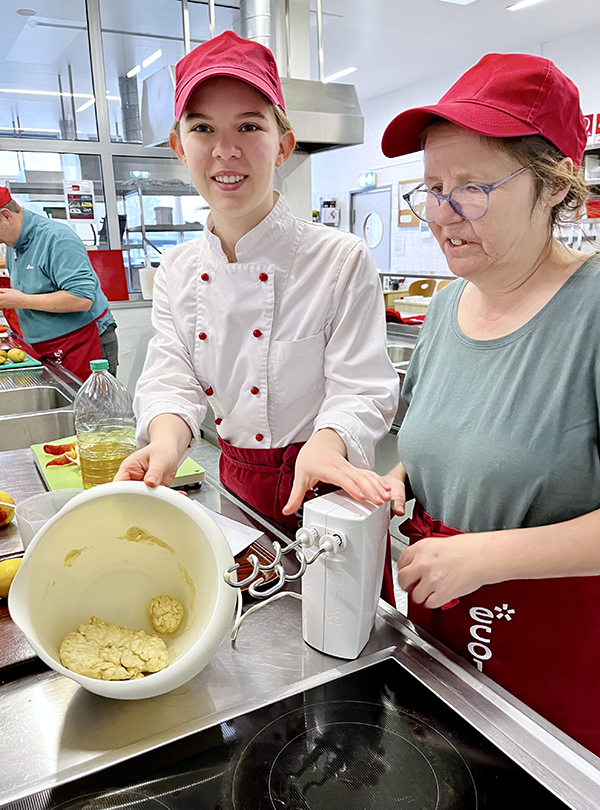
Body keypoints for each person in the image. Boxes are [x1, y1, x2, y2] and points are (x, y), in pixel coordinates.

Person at [115, 31, 399, 600]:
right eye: (202, 129)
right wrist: (167, 445)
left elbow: (362, 388)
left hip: (329, 485)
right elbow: (174, 377)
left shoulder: (338, 258)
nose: (225, 151)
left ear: (283, 143)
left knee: (344, 641)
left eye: (249, 126)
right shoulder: (176, 267)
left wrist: (330, 440)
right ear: (178, 145)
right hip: (237, 482)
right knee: (252, 626)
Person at [380, 52, 600, 755]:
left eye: (471, 188)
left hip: (552, 655)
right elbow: (442, 445)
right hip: (438, 637)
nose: (440, 216)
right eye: (431, 188)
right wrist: (399, 482)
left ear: (555, 185)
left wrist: (487, 557)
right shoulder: (446, 310)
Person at [0, 187, 118, 380]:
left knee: (93, 409)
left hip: (82, 344)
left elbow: (81, 298)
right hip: (47, 348)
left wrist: (20, 300)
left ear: (6, 216)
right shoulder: (15, 243)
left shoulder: (57, 238)